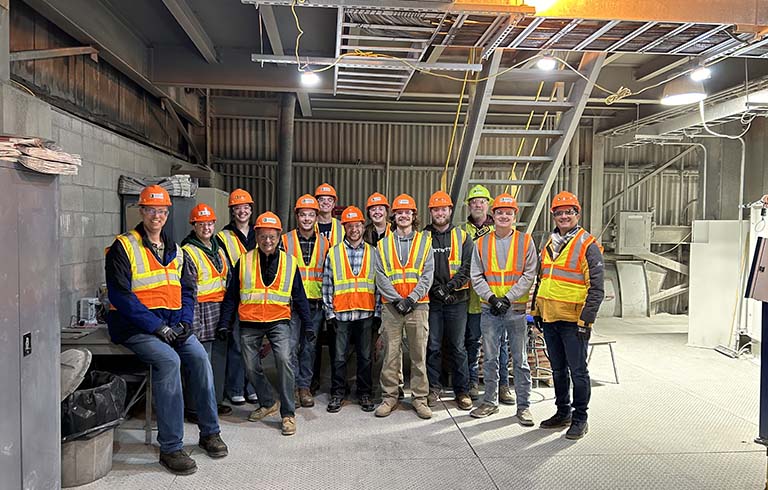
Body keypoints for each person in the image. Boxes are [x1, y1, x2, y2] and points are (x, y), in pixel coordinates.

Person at [105, 185, 227, 475]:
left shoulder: (176, 250)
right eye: (151, 210)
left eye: (161, 211)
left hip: (173, 326)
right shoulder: (124, 246)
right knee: (169, 361)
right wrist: (156, 326)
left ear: (167, 213)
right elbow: (120, 296)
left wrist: (186, 322)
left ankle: (210, 432)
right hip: (137, 328)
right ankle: (171, 447)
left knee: (199, 358)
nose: (156, 216)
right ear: (142, 211)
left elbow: (188, 290)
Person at [217, 212, 313, 436]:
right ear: (257, 236)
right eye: (263, 236)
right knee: (250, 367)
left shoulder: (290, 263)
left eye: (272, 236)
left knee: (284, 361)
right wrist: (224, 323)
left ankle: (288, 414)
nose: (267, 241)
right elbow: (232, 296)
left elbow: (299, 297)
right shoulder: (244, 260)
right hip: (249, 323)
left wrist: (308, 324)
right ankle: (268, 401)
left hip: (278, 321)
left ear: (279, 237)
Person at [532, 191, 605, 440]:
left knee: (578, 371)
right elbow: (542, 279)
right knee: (557, 370)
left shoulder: (587, 245)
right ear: (553, 215)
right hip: (551, 318)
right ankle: (562, 412)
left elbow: (596, 288)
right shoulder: (549, 243)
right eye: (559, 212)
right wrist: (536, 311)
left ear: (577, 214)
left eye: (568, 212)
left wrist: (586, 321)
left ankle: (580, 417)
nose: (564, 216)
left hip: (574, 322)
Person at [469, 193, 537, 427]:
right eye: (500, 213)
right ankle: (489, 401)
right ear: (493, 215)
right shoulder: (481, 243)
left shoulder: (526, 241)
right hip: (490, 308)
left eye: (508, 213)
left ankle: (524, 406)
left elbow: (529, 274)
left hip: (515, 308)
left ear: (514, 215)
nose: (504, 216)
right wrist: (490, 297)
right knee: (489, 358)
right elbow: (475, 275)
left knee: (519, 359)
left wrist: (507, 298)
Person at [374, 193, 434, 419]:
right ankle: (390, 397)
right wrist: (397, 299)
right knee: (390, 354)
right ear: (394, 216)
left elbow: (428, 274)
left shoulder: (424, 242)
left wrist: (411, 299)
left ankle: (419, 398)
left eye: (407, 212)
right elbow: (380, 275)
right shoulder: (383, 244)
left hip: (418, 306)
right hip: (391, 307)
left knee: (419, 354)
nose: (403, 216)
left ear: (413, 216)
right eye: (399, 213)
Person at [322, 206, 378, 413]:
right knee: (338, 356)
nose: (354, 229)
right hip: (342, 314)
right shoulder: (334, 252)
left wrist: (378, 312)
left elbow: (378, 284)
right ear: (344, 227)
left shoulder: (374, 252)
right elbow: (327, 284)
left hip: (366, 313)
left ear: (363, 227)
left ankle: (364, 393)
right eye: (350, 226)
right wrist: (330, 313)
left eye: (358, 225)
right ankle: (338, 393)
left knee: (365, 356)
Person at [464, 184, 514, 404]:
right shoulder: (462, 232)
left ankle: (503, 386)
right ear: (469, 205)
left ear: (489, 205)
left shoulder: (500, 231)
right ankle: (473, 383)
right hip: (472, 300)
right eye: (474, 201)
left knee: (500, 345)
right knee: (472, 343)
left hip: (497, 299)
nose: (478, 204)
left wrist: (502, 297)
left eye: (482, 201)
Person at [181, 204, 232, 420]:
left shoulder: (218, 248)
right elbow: (188, 290)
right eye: (201, 224)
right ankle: (195, 408)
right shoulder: (187, 251)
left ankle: (214, 402)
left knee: (217, 362)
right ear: (194, 225)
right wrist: (192, 324)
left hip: (220, 313)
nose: (206, 227)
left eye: (210, 223)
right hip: (200, 314)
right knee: (199, 362)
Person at [423, 191, 473, 411]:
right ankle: (434, 387)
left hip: (457, 300)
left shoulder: (462, 237)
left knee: (458, 347)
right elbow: (420, 266)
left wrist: (450, 288)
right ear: (431, 212)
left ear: (450, 211)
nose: (440, 213)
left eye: (443, 209)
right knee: (432, 346)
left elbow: (467, 267)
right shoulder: (423, 237)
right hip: (432, 301)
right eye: (436, 209)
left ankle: (462, 391)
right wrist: (437, 290)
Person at [281, 194, 330, 408]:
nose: (307, 219)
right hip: (292, 303)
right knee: (291, 346)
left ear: (317, 217)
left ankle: (304, 387)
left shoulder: (325, 243)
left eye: (311, 215)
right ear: (297, 216)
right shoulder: (285, 240)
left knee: (309, 348)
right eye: (303, 215)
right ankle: (291, 387)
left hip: (315, 303)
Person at [216, 189, 257, 406]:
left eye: (245, 208)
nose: (242, 211)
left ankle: (251, 387)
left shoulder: (259, 233)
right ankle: (235, 388)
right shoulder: (223, 236)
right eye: (238, 208)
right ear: (233, 211)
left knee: (253, 346)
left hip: (257, 298)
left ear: (251, 210)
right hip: (236, 296)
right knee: (237, 345)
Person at [312, 182, 344, 393]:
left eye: (329, 200)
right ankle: (312, 382)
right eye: (321, 199)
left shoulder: (342, 228)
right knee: (312, 342)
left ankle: (336, 383)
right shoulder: (307, 224)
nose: (325, 203)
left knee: (336, 342)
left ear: (334, 203)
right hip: (313, 291)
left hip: (337, 291)